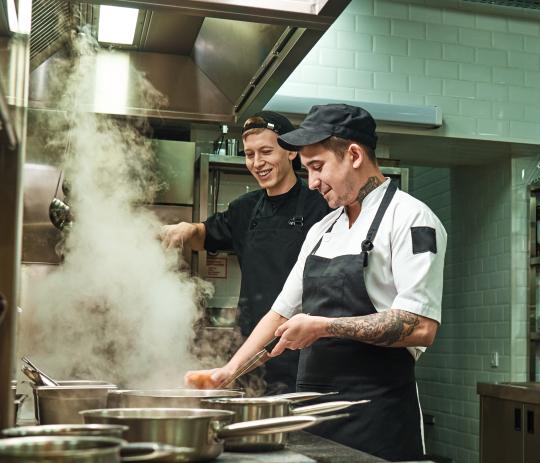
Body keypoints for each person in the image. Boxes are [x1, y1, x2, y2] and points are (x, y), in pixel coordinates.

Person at [184, 104, 446, 461]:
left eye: (318, 167)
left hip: (377, 414)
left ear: (353, 154)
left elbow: (420, 327)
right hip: (316, 412)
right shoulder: (323, 229)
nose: (312, 183)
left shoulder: (411, 219)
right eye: (306, 170)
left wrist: (323, 326)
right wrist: (228, 372)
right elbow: (280, 312)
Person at [162, 111, 331, 394]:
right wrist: (187, 229)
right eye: (250, 154)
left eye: (266, 151)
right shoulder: (244, 209)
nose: (257, 163)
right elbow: (204, 234)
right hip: (252, 352)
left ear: (291, 153)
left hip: (304, 352)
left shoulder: (320, 205)